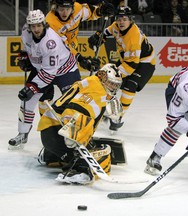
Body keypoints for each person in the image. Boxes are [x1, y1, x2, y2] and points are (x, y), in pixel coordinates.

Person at [8, 9, 88, 149]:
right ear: (29, 26)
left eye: (39, 25)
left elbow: (49, 74)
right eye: (33, 26)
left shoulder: (51, 42)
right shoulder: (26, 32)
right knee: (27, 99)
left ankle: (78, 134)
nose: (36, 29)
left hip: (65, 70)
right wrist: (25, 56)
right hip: (42, 69)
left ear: (44, 24)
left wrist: (32, 87)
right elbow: (28, 49)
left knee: (73, 102)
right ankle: (22, 133)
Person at [37, 63, 123, 184]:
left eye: (116, 85)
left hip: (49, 131)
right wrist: (75, 134)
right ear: (102, 76)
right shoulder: (97, 91)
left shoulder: (91, 83)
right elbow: (74, 110)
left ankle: (51, 155)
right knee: (100, 153)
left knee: (84, 139)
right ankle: (79, 170)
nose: (113, 87)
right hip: (58, 133)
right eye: (111, 83)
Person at [88, 6, 156, 132]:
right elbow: (106, 32)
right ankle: (103, 110)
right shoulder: (116, 26)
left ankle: (117, 117)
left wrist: (113, 76)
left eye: (124, 19)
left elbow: (131, 67)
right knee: (108, 85)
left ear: (131, 20)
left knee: (130, 85)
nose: (121, 22)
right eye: (119, 19)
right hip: (127, 59)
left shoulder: (133, 37)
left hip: (145, 62)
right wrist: (98, 36)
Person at [46, 0, 114, 71]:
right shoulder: (50, 22)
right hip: (54, 55)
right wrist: (80, 58)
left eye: (68, 9)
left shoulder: (78, 9)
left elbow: (91, 13)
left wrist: (100, 11)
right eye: (61, 9)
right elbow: (64, 46)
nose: (65, 13)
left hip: (72, 52)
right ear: (55, 8)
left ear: (72, 8)